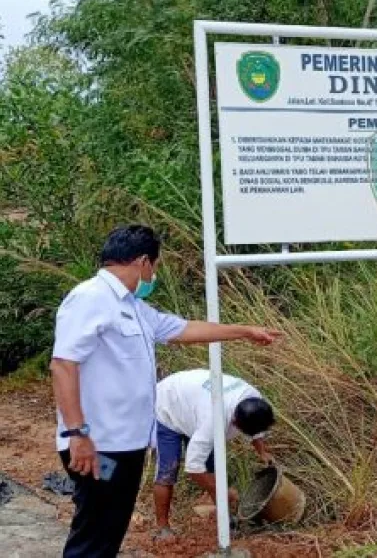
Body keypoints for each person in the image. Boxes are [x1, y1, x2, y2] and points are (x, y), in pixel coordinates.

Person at [50, 224, 281, 558]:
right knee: (95, 529)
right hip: (98, 446)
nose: (154, 274)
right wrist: (77, 433)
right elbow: (63, 365)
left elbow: (184, 329)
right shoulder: (90, 298)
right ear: (144, 261)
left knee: (110, 528)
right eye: (155, 266)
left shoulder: (134, 308)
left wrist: (244, 331)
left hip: (125, 445)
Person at [153, 369, 275, 538]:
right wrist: (222, 491)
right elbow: (194, 468)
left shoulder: (253, 398)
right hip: (168, 405)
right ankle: (162, 528)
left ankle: (226, 521)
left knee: (212, 470)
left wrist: (262, 451)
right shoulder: (213, 422)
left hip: (194, 402)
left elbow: (256, 428)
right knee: (167, 470)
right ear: (234, 422)